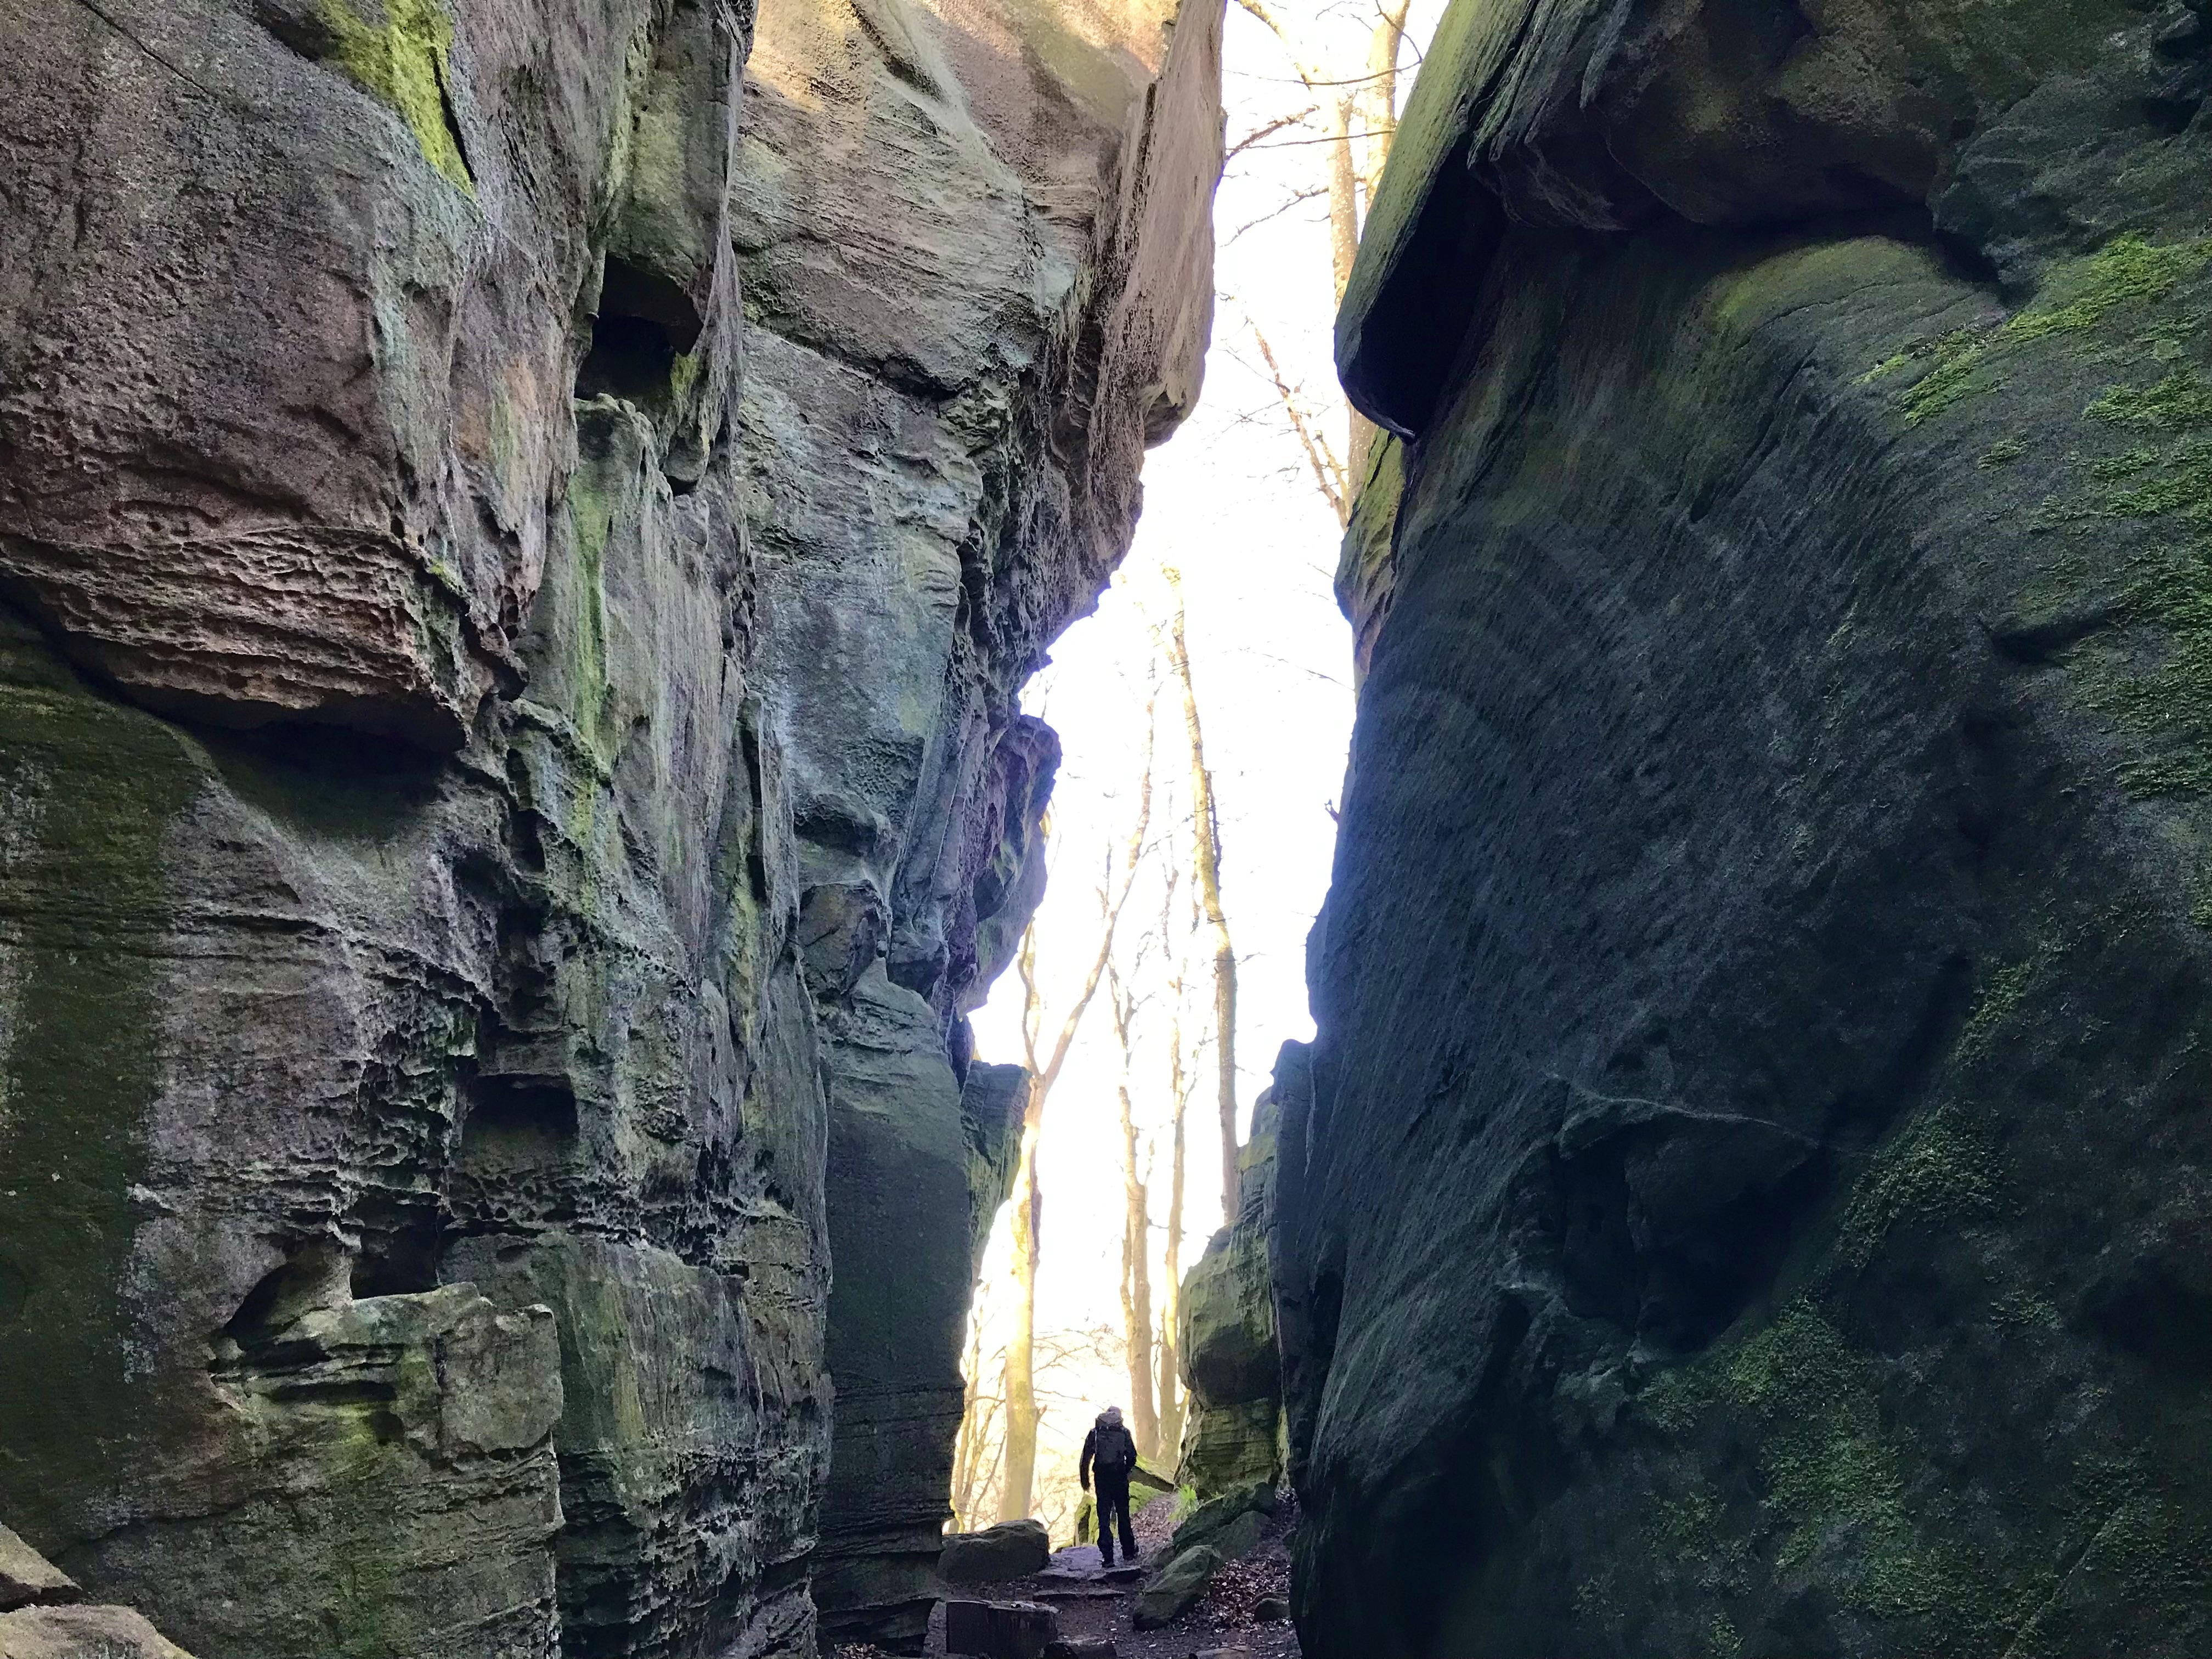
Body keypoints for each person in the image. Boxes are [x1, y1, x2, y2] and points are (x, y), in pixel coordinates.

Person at [1079, 1405, 1139, 1567]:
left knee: (1104, 1517)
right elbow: (1133, 1457)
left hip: (1102, 1478)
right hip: (1119, 1477)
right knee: (1123, 1515)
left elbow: (1086, 1457)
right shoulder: (1124, 1432)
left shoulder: (1096, 1432)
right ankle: (1128, 1552)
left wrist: (1085, 1480)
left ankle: (1108, 1557)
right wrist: (1124, 1470)